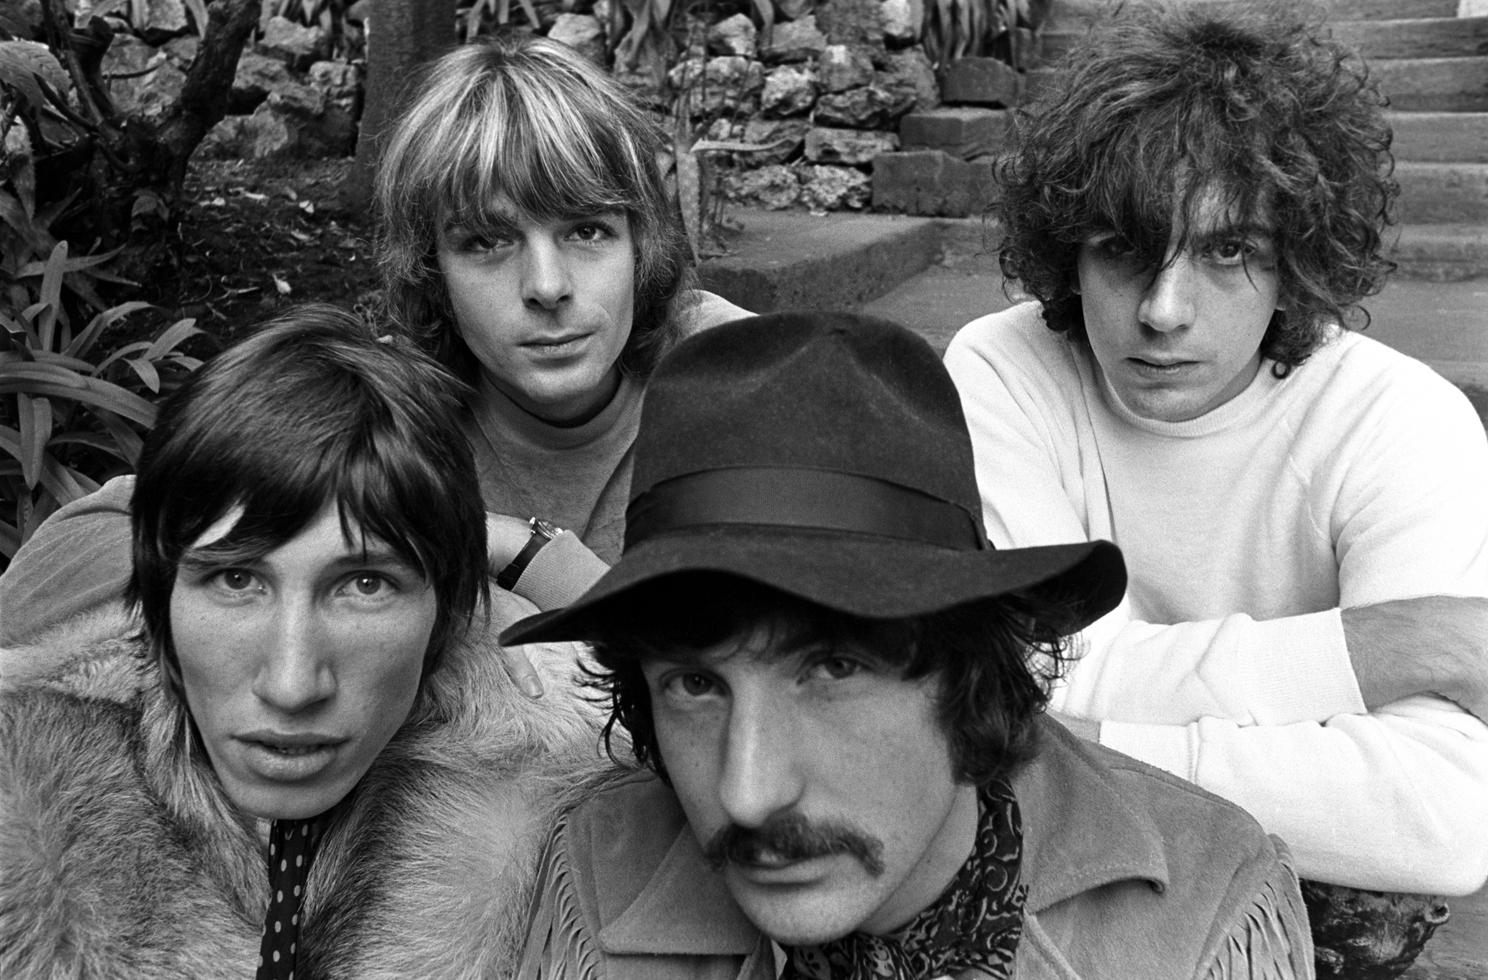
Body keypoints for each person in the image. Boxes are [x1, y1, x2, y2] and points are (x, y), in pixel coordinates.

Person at [502, 310, 1316, 979]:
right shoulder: (600, 872)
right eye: (694, 685)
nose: (747, 794)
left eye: (832, 668)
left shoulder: (1202, 914)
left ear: (972, 679)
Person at [939, 3, 1488, 974]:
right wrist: (1380, 647)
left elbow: (1439, 820)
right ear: (1069, 250)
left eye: (1227, 251)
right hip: (1064, 876)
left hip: (1296, 897)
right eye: (1122, 248)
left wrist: (1078, 744)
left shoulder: (1399, 421)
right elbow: (1038, 674)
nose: (1162, 310)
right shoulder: (1002, 369)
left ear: (1296, 258)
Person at [0, 31, 747, 648]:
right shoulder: (390, 411)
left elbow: (746, 673)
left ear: (641, 245)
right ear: (432, 271)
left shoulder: (743, 377)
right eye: (486, 242)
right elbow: (84, 550)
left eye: (586, 231)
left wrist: (528, 558)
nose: (547, 286)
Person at [0, 306, 601, 979]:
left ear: (449, 615)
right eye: (235, 579)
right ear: (159, 605)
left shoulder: (558, 826)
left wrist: (529, 556)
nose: (291, 686)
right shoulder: (27, 802)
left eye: (366, 585)